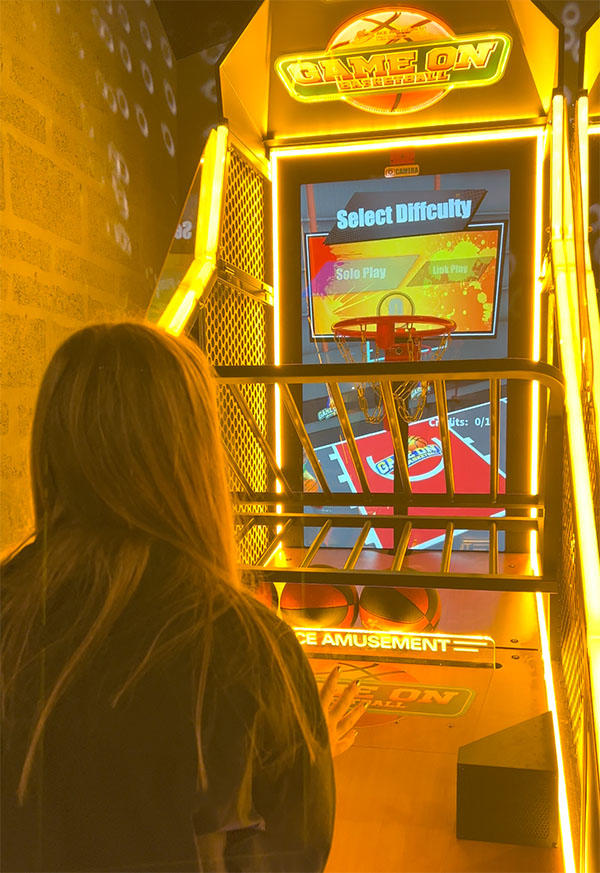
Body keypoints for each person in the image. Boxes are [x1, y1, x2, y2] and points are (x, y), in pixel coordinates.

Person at [1, 322, 364, 873]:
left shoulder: (11, 608)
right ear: (194, 454)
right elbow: (286, 855)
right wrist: (293, 749)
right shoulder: (249, 648)